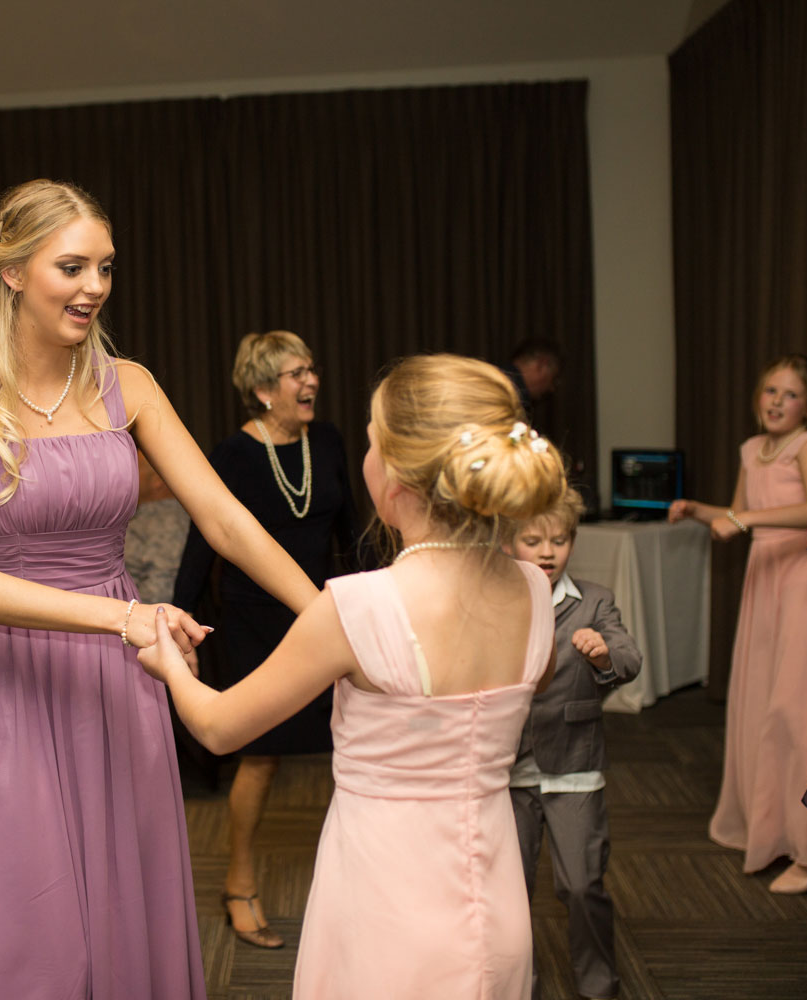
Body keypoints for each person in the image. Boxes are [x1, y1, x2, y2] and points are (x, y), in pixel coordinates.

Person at [0, 179, 318, 1000]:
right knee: (28, 925)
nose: (94, 288)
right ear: (11, 271)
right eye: (71, 267)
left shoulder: (132, 384)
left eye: (106, 269)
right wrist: (123, 616)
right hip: (3, 677)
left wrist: (328, 615)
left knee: (123, 897)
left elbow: (226, 521)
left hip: (116, 677)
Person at [140, 354, 566, 999]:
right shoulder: (536, 590)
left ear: (395, 475)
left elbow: (219, 729)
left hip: (385, 901)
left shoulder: (357, 605)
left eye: (370, 438)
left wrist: (168, 660)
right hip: (496, 894)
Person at [172, 329, 356, 948]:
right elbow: (205, 542)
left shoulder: (326, 441)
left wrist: (373, 603)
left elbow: (350, 534)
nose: (311, 382)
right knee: (262, 754)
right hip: (256, 624)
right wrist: (181, 619)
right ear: (261, 390)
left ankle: (363, 883)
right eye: (295, 373)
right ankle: (239, 883)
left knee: (356, 739)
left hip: (327, 613)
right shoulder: (232, 455)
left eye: (312, 369)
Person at [668, 354, 807, 894]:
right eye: (770, 391)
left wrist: (744, 520)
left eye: (790, 394)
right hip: (764, 580)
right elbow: (736, 512)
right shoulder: (749, 450)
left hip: (803, 583)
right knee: (761, 702)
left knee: (794, 707)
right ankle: (769, 829)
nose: (777, 402)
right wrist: (697, 510)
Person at [505, 487, 641, 1000]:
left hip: (574, 767)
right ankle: (520, 986)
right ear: (506, 543)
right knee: (510, 894)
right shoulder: (495, 600)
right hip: (505, 771)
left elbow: (629, 659)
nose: (547, 551)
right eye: (533, 540)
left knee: (582, 886)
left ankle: (598, 985)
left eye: (559, 540)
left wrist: (605, 655)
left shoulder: (595, 601)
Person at [125, 450, 191, 605]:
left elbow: (160, 589)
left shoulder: (169, 521)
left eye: (131, 470)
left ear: (157, 480)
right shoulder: (139, 514)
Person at [504, 339, 564, 419]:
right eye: (553, 379)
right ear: (541, 364)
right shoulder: (514, 396)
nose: (551, 388)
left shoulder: (492, 377)